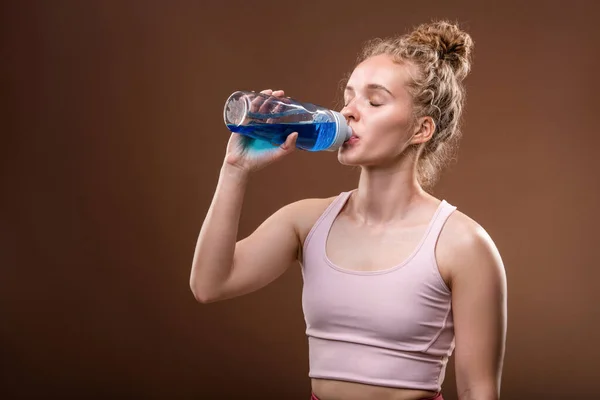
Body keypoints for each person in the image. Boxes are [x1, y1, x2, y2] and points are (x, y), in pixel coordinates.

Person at [190, 20, 507, 400]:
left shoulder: (463, 244)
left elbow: (479, 389)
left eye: (374, 101)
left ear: (421, 129)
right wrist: (235, 170)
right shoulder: (307, 221)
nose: (350, 112)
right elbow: (210, 284)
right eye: (349, 98)